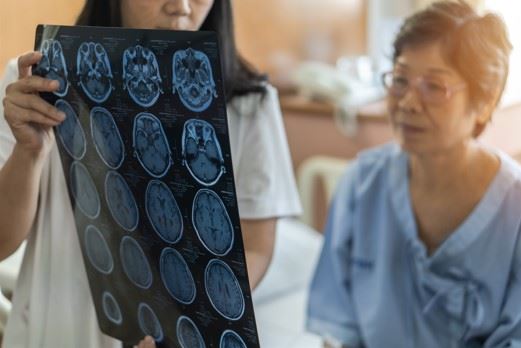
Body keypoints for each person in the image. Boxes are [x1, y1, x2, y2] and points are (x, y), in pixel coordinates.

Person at [0, 0, 301, 347]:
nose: (181, 7)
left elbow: (256, 247)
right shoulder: (36, 89)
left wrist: (194, 320)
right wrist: (30, 151)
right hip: (56, 327)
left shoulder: (250, 103)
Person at [307, 1, 520, 347]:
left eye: (434, 87)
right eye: (400, 80)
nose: (407, 102)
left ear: (485, 99)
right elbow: (339, 327)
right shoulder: (361, 185)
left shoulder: (514, 210)